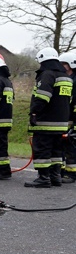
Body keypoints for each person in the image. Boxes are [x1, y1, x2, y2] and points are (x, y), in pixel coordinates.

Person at [25, 47, 72, 188]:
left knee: (42, 149)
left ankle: (43, 178)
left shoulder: (47, 75)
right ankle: (55, 177)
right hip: (61, 122)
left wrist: (34, 112)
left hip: (46, 121)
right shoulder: (65, 77)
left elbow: (42, 97)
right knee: (57, 151)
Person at [59, 50, 76, 183]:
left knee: (71, 145)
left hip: (73, 118)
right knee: (65, 145)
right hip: (66, 117)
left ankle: (71, 174)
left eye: (63, 64)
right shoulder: (67, 79)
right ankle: (64, 171)